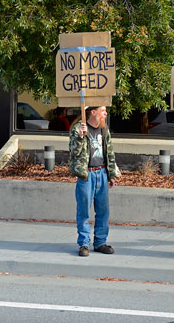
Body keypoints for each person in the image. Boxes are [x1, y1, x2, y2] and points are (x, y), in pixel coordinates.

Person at [69, 106, 121, 257]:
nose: (105, 113)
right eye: (103, 110)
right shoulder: (79, 128)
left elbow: (109, 152)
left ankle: (100, 242)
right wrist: (80, 137)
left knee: (103, 210)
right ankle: (84, 243)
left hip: (102, 173)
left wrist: (111, 174)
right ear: (93, 112)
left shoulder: (104, 129)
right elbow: (74, 152)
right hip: (87, 175)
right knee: (84, 210)